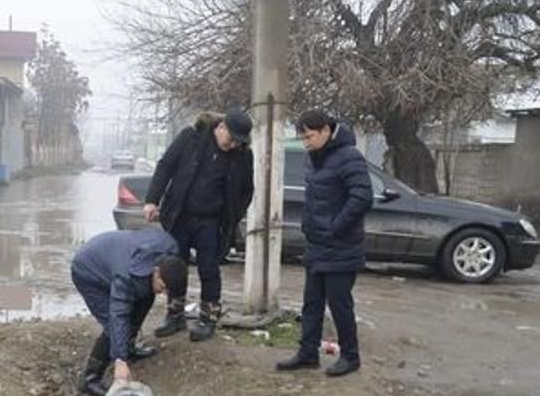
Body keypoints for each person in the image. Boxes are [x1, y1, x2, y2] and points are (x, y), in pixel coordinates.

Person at [143, 109, 255, 342]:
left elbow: (247, 189)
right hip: (180, 215)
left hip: (213, 221)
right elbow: (165, 167)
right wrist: (152, 200)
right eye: (231, 138)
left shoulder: (243, 154)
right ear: (221, 128)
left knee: (209, 270)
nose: (233, 145)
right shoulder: (191, 138)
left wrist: (235, 215)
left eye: (238, 142)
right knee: (175, 267)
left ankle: (207, 319)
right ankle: (175, 316)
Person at [276, 109, 373, 377]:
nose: (306, 142)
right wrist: (311, 227)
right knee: (312, 302)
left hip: (342, 246)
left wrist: (336, 227)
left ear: (326, 131)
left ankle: (350, 357)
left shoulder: (349, 157)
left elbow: (362, 197)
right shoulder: (314, 158)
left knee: (339, 304)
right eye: (303, 138)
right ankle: (308, 353)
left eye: (309, 136)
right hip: (317, 244)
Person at [70, 229, 189, 396]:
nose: (163, 293)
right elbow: (118, 316)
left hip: (116, 256)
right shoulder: (127, 277)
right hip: (89, 270)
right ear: (156, 271)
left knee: (146, 299)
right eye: (162, 287)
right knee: (113, 325)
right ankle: (89, 379)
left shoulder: (171, 252)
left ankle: (128, 347)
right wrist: (120, 361)